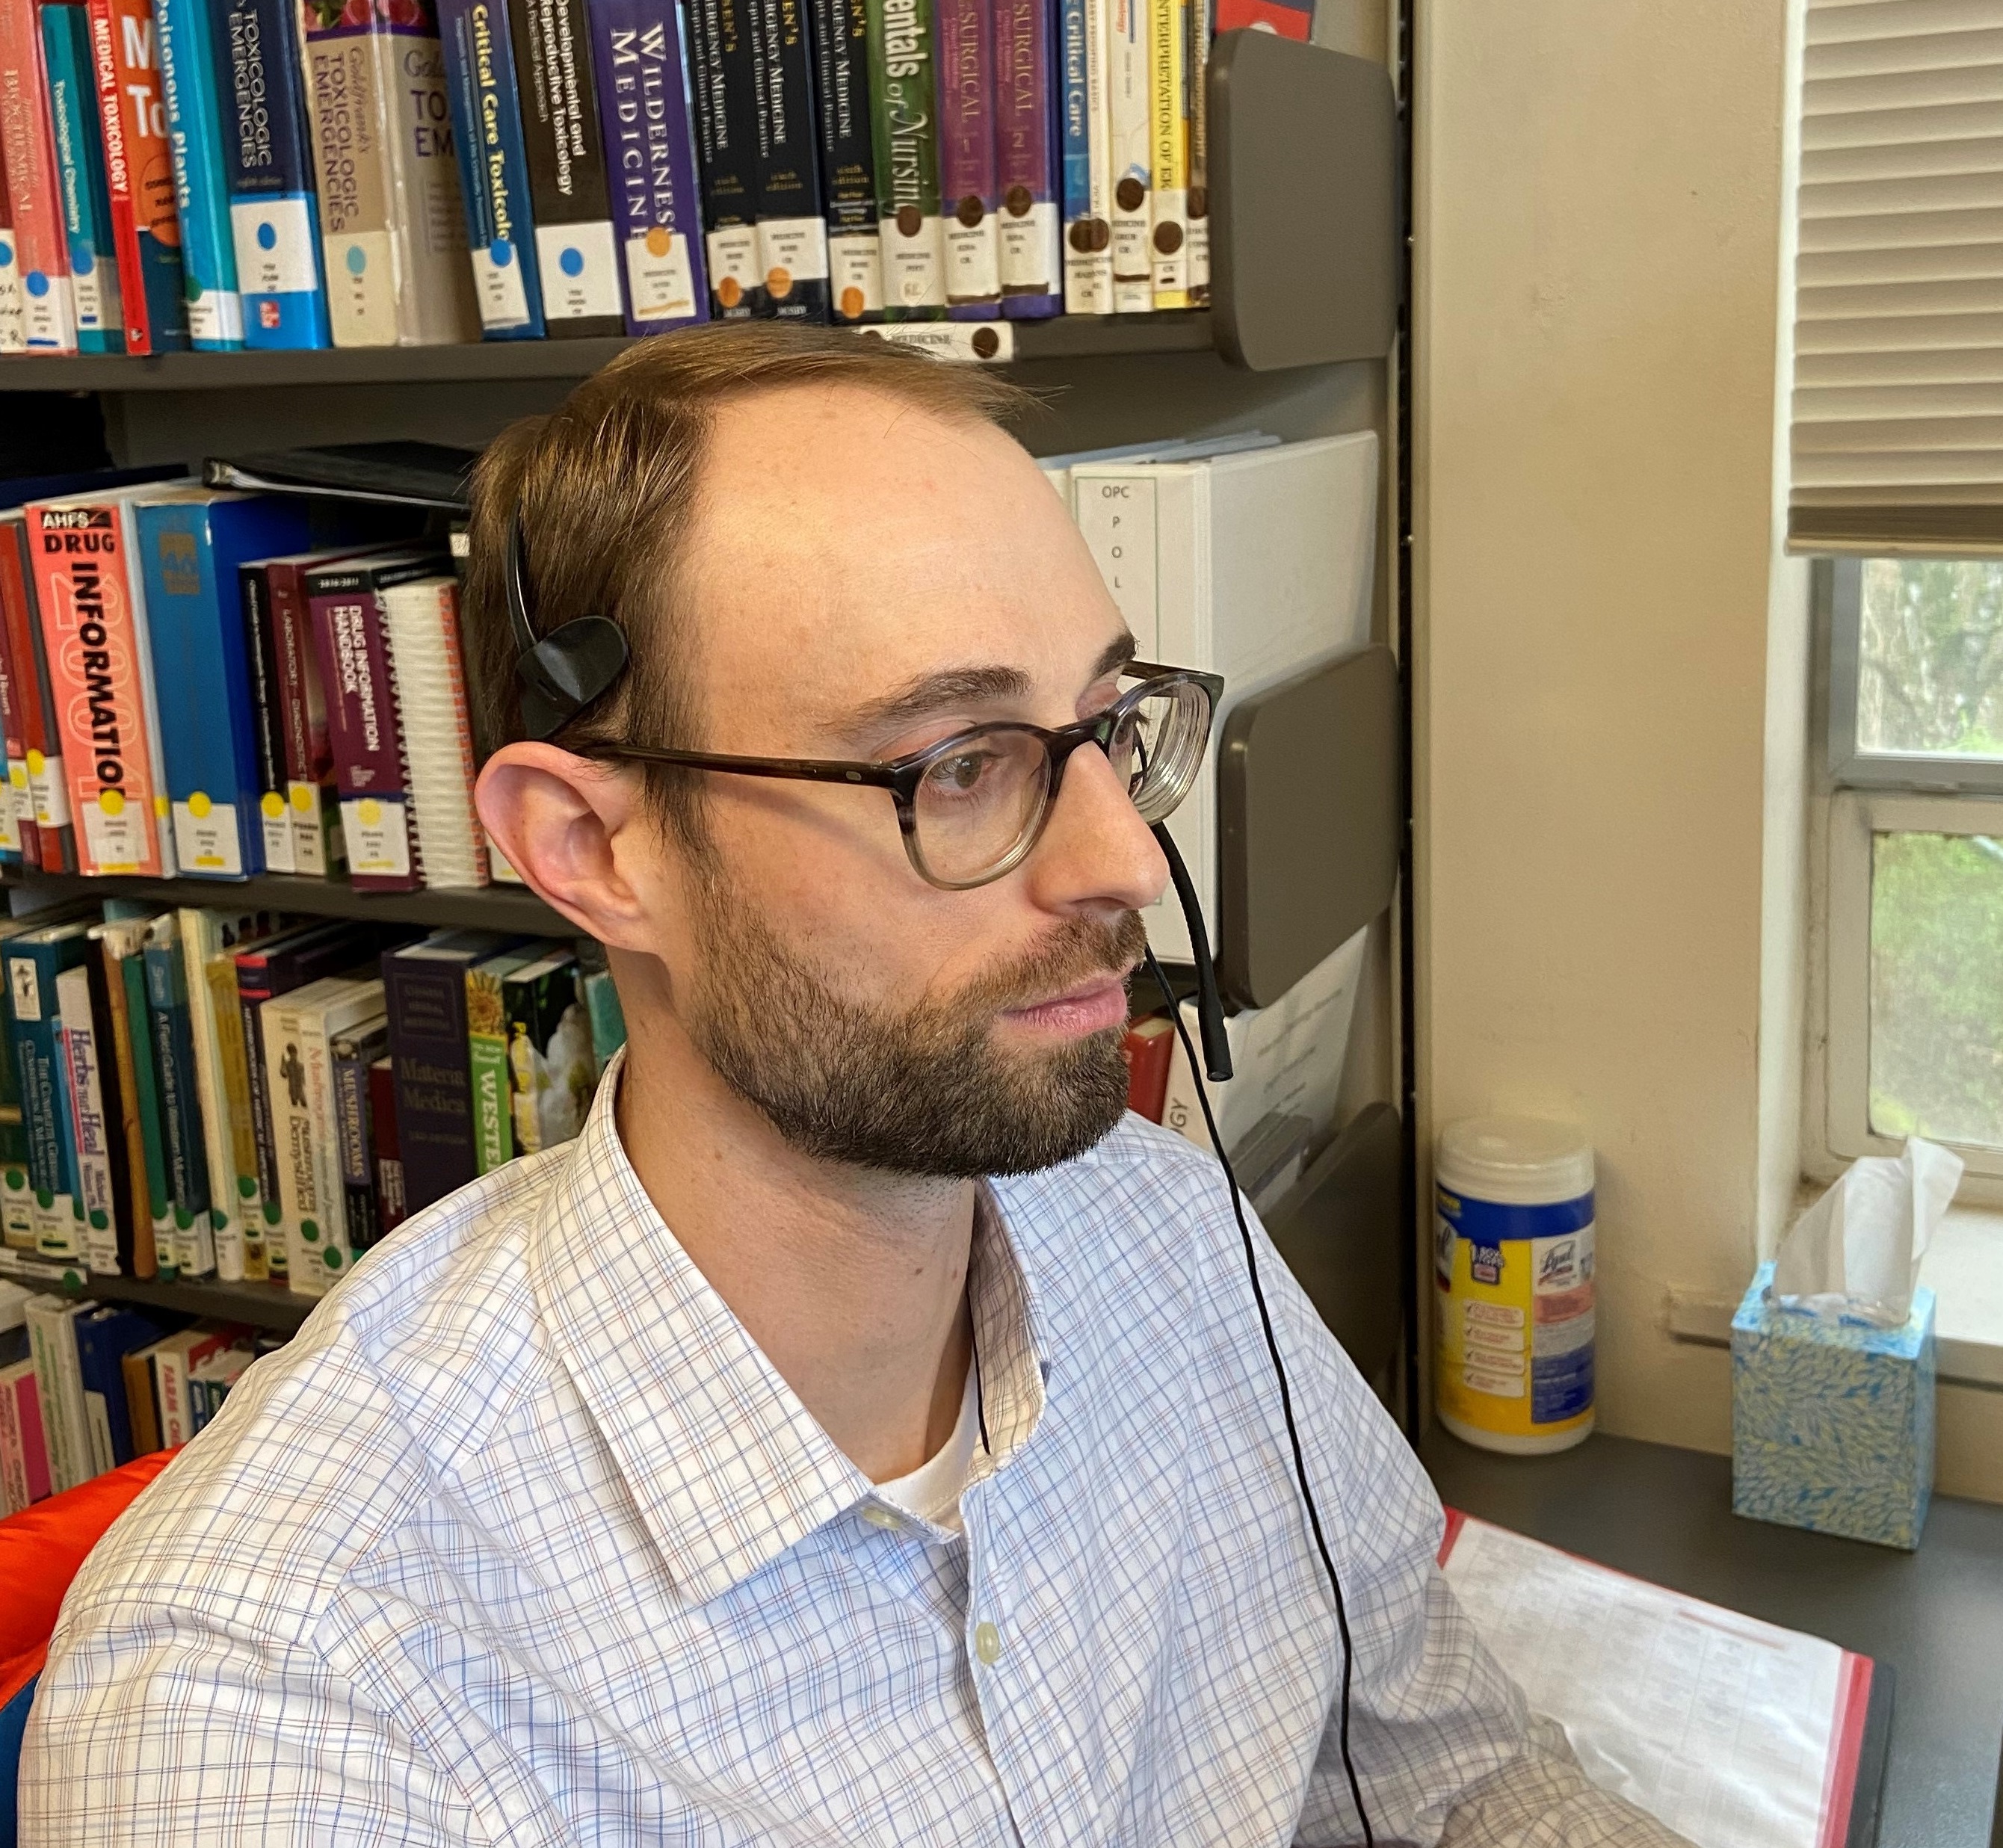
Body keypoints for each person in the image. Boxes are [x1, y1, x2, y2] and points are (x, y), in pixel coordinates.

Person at [21, 326, 1688, 1846]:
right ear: (593, 850)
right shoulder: (280, 1710)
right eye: (955, 763)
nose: (1118, 859)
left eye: (1102, 725)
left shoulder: (1169, 1227)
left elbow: (1453, 1772)